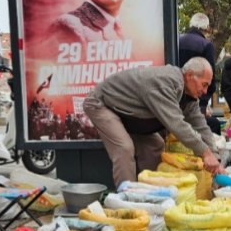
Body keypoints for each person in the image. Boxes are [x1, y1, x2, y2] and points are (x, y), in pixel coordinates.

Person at [83, 57, 223, 186]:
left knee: (155, 146)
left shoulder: (190, 97)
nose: (205, 91)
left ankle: (151, 192)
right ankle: (126, 198)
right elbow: (176, 124)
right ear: (189, 75)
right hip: (102, 104)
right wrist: (205, 153)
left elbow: (201, 126)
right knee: (124, 148)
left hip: (129, 113)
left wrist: (215, 158)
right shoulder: (164, 83)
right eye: (204, 84)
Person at [178, 12, 220, 134]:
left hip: (176, 95)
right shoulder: (206, 45)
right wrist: (204, 104)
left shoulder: (177, 40)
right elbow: (209, 78)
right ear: (206, 28)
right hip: (195, 100)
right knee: (204, 128)